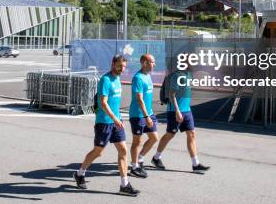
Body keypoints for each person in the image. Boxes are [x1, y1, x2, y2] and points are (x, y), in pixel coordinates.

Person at [74, 54, 139, 196]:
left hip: (116, 122)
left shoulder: (117, 79)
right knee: (98, 152)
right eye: (120, 66)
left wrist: (118, 119)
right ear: (113, 63)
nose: (122, 69)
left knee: (123, 150)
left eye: (124, 67)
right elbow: (103, 103)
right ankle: (80, 173)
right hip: (104, 122)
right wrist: (115, 118)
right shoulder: (105, 80)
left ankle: (124, 184)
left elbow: (114, 103)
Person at [152, 65, 210, 173]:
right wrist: (177, 111)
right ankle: (156, 158)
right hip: (175, 111)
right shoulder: (177, 76)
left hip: (187, 110)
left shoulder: (189, 75)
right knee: (170, 134)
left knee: (191, 134)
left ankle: (195, 164)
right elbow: (171, 95)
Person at [128, 54, 159, 178]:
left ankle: (140, 159)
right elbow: (139, 99)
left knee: (154, 138)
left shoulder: (148, 76)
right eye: (152, 62)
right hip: (138, 115)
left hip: (148, 113)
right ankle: (134, 167)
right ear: (144, 63)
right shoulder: (138, 78)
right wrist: (146, 117)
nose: (154, 64)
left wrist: (149, 115)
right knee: (137, 141)